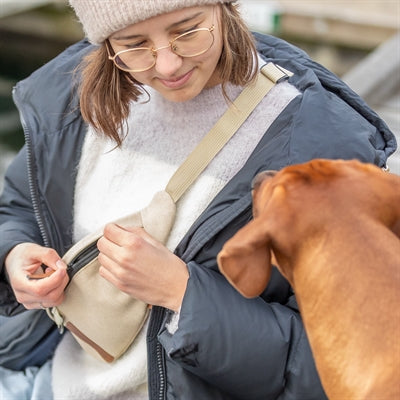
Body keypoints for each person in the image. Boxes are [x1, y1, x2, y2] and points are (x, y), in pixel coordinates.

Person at [0, 0, 396, 399]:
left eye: (187, 31)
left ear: (225, 9)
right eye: (134, 44)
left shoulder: (316, 143)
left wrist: (182, 292)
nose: (168, 65)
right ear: (105, 43)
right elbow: (18, 205)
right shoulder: (69, 95)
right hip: (45, 380)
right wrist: (14, 256)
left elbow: (335, 360)